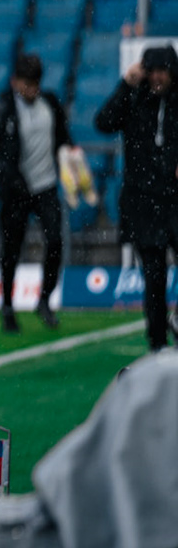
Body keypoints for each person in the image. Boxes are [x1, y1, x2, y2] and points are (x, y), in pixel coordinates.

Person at [0, 51, 72, 333]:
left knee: (55, 241)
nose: (32, 90)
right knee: (11, 251)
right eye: (27, 84)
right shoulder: (2, 111)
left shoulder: (50, 105)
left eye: (35, 84)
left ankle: (44, 299)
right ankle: (6, 305)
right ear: (15, 82)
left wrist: (70, 156)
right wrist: (6, 175)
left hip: (46, 185)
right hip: (15, 190)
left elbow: (63, 138)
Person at [93, 43, 178, 350]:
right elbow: (102, 123)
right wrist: (126, 84)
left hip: (175, 201)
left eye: (163, 71)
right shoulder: (133, 99)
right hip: (143, 203)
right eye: (152, 71)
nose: (157, 78)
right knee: (154, 277)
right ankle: (157, 341)